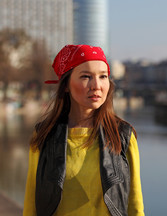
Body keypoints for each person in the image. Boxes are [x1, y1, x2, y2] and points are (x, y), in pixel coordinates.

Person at [23, 44, 145, 216]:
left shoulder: (122, 135)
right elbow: (31, 203)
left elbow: (135, 205)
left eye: (103, 76)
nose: (96, 85)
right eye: (86, 76)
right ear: (66, 85)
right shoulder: (45, 135)